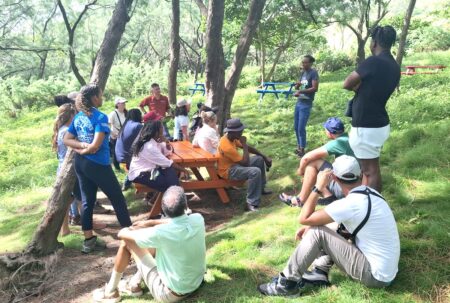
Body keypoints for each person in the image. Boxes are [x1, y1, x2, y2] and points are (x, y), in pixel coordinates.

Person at [258, 155, 400, 296]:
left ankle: (286, 284)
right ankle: (320, 272)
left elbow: (304, 218)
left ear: (334, 178)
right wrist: (312, 226)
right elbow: (340, 224)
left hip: (375, 277)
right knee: (327, 228)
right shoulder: (370, 193)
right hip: (385, 272)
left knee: (317, 232)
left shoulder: (350, 204)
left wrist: (318, 187)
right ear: (361, 175)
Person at [92, 186, 206, 303]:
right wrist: (149, 223)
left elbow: (122, 234)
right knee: (155, 246)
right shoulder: (198, 219)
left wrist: (131, 229)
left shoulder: (160, 233)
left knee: (127, 242)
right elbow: (177, 221)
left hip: (169, 294)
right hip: (196, 283)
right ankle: (134, 284)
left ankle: (110, 292)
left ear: (164, 210)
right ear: (186, 206)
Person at [64, 84, 132, 254]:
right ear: (94, 98)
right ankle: (131, 238)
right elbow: (95, 146)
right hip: (98, 165)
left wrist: (80, 148)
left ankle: (88, 240)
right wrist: (85, 148)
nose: (102, 98)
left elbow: (67, 139)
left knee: (87, 202)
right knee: (118, 199)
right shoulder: (100, 118)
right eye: (100, 95)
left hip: (81, 164)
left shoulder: (78, 117)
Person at [343, 25, 400, 192]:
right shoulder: (393, 65)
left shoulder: (373, 62)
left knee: (369, 171)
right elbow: (374, 87)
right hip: (379, 121)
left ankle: (373, 206)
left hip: (367, 125)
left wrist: (356, 86)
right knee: (371, 168)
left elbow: (347, 83)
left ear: (374, 43)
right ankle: (371, 203)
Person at [279, 117, 354, 206]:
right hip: (354, 183)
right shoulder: (349, 138)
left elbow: (306, 158)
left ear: (330, 133)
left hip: (344, 188)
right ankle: (328, 197)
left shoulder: (338, 143)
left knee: (313, 163)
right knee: (318, 168)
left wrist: (301, 171)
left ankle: (300, 200)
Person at [217, 118, 272, 212]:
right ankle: (250, 203)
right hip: (228, 171)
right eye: (240, 131)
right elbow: (245, 162)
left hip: (235, 165)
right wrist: (244, 144)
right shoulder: (226, 146)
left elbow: (248, 149)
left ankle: (261, 188)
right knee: (255, 171)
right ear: (233, 132)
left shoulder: (231, 137)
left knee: (258, 159)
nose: (242, 133)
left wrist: (264, 156)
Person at [128, 120, 189, 193]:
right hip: (141, 174)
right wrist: (184, 170)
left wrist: (166, 141)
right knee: (170, 179)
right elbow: (167, 163)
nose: (163, 130)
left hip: (152, 170)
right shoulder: (149, 146)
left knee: (170, 174)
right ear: (156, 131)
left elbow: (168, 152)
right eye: (161, 128)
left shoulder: (154, 141)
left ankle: (174, 195)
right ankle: (176, 195)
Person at [52, 103, 81, 235]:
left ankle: (65, 229)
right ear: (71, 115)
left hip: (63, 169)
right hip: (69, 170)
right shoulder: (67, 131)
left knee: (67, 200)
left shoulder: (62, 129)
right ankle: (86, 226)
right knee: (77, 198)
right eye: (75, 113)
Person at [293, 55, 319, 158]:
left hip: (306, 103)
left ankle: (302, 149)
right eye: (302, 62)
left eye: (305, 62)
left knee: (301, 127)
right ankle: (299, 147)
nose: (303, 64)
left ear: (310, 63)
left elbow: (315, 88)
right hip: (299, 102)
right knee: (296, 127)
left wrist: (300, 90)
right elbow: (297, 86)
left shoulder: (313, 73)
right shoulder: (303, 73)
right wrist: (297, 85)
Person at [115, 109, 143, 191]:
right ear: (138, 116)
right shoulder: (138, 126)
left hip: (119, 155)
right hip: (126, 158)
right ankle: (142, 186)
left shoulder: (126, 124)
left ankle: (128, 183)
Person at [109, 97, 128, 170]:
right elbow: (108, 126)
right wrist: (113, 134)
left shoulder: (126, 112)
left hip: (124, 136)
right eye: (122, 103)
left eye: (124, 103)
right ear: (117, 104)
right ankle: (117, 168)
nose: (124, 104)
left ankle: (126, 166)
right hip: (115, 137)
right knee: (115, 152)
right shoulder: (113, 114)